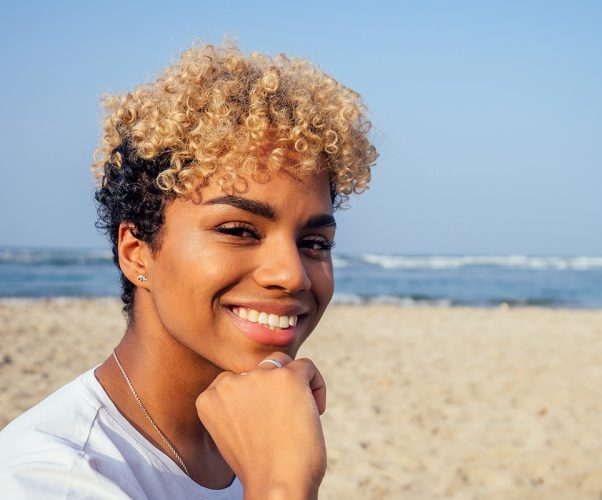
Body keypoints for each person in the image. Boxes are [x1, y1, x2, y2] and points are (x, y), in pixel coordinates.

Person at [0, 42, 377, 499]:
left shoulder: (251, 434)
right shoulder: (54, 476)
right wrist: (280, 485)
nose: (292, 275)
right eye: (239, 230)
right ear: (137, 253)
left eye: (315, 243)